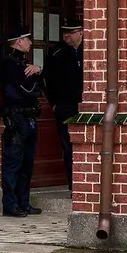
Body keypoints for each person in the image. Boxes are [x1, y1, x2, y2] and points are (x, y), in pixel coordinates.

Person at [0, 27, 43, 217]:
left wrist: (38, 70)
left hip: (29, 116)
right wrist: (36, 74)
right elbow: (25, 89)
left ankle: (24, 202)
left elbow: (37, 88)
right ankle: (11, 203)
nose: (30, 43)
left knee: (27, 162)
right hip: (17, 117)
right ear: (19, 41)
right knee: (13, 161)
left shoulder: (22, 62)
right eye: (27, 39)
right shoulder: (8, 62)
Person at [44, 19, 84, 187]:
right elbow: (46, 79)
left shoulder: (91, 50)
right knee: (69, 146)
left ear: (81, 32)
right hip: (65, 106)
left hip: (88, 105)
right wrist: (54, 102)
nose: (66, 35)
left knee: (87, 144)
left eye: (71, 32)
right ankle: (74, 185)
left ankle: (88, 184)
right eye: (64, 32)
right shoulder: (57, 52)